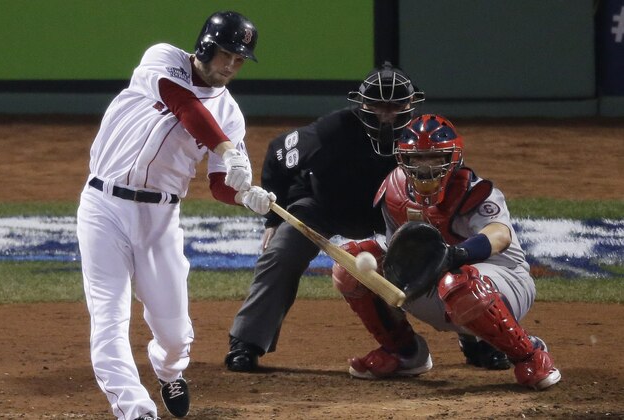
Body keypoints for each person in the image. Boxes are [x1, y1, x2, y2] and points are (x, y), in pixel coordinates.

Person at [76, 11, 275, 420]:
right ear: (205, 45)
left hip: (159, 222)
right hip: (103, 208)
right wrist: (225, 150)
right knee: (109, 319)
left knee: (174, 333)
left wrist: (246, 197)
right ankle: (135, 410)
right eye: (227, 55)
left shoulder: (230, 115)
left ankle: (169, 372)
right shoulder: (163, 59)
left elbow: (221, 186)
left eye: (240, 60)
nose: (232, 66)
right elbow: (182, 104)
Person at [331, 114, 561, 390]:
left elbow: (499, 235)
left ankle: (530, 354)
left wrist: (455, 255)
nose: (425, 168)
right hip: (433, 284)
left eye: (435, 158)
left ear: (453, 158)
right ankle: (405, 353)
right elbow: (398, 250)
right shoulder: (393, 190)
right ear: (403, 159)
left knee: (458, 284)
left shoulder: (476, 191)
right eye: (418, 159)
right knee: (349, 266)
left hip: (503, 281)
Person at [223, 62, 425, 372]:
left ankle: (476, 339)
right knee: (281, 254)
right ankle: (245, 344)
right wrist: (275, 221)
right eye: (378, 105)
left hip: (391, 213)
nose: (387, 114)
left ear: (411, 105)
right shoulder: (333, 130)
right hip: (323, 206)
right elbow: (279, 152)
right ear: (362, 104)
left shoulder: (424, 136)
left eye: (395, 106)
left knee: (439, 252)